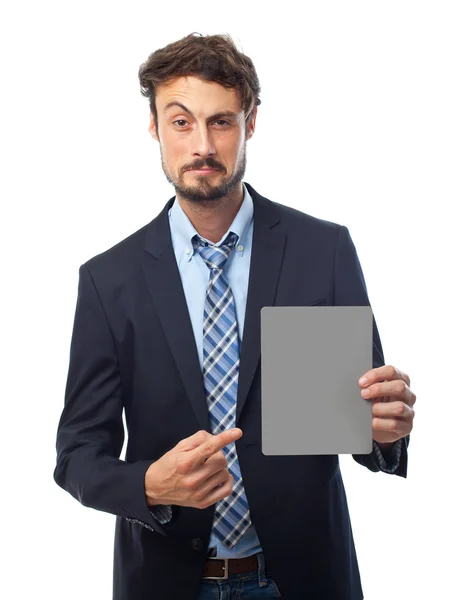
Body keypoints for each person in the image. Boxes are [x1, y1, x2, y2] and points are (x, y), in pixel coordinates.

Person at [53, 32, 416, 600]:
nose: (202, 144)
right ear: (154, 127)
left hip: (303, 579)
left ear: (251, 123)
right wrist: (148, 483)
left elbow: (362, 424)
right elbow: (76, 455)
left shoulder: (322, 250)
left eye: (221, 121)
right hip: (169, 582)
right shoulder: (109, 280)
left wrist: (386, 431)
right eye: (181, 122)